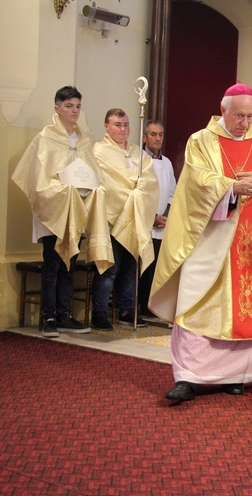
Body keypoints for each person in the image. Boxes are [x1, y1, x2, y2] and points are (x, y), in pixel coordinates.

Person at [149, 83, 252, 403]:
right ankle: (189, 376)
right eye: (240, 116)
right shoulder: (201, 141)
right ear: (224, 109)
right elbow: (196, 182)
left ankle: (237, 375)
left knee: (248, 307)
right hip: (211, 239)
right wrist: (231, 188)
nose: (246, 123)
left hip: (251, 239)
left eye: (250, 117)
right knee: (197, 301)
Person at [11, 86, 112, 338]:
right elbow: (38, 178)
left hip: (77, 209)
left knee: (70, 263)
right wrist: (63, 190)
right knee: (53, 263)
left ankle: (65, 315)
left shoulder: (85, 140)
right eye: (68, 106)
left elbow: (93, 173)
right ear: (57, 108)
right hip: (54, 209)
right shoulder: (45, 138)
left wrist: (95, 187)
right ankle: (49, 317)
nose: (74, 111)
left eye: (78, 106)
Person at [91, 108, 159, 331]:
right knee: (110, 268)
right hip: (114, 219)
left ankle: (127, 310)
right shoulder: (99, 152)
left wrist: (139, 194)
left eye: (126, 125)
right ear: (106, 127)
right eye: (118, 125)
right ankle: (99, 313)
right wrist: (133, 194)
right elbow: (107, 184)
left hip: (135, 219)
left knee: (130, 269)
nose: (123, 129)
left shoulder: (139, 154)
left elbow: (150, 183)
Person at [137, 120, 176, 320]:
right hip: (144, 223)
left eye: (160, 134)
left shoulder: (167, 163)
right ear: (144, 137)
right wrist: (151, 217)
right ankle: (139, 305)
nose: (157, 138)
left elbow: (172, 193)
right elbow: (138, 193)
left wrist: (166, 215)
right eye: (153, 134)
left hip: (162, 224)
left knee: (156, 269)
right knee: (143, 268)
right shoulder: (138, 160)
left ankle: (153, 306)